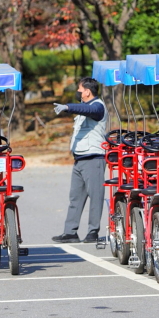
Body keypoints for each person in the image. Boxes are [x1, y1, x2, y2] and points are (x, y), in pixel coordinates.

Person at [51, 78, 107, 244]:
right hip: (80, 159)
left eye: (80, 90)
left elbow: (87, 109)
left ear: (88, 92)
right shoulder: (85, 109)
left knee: (95, 197)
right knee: (75, 197)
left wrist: (68, 107)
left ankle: (92, 232)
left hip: (93, 158)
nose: (78, 93)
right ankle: (70, 232)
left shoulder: (98, 106)